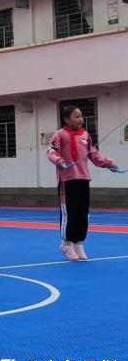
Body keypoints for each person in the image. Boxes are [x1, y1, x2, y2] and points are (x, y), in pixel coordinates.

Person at [47, 104, 119, 261]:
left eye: (81, 116)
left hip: (83, 179)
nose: (81, 119)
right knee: (69, 213)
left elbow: (94, 155)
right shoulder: (60, 135)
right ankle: (67, 244)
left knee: (83, 214)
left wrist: (109, 164)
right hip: (67, 181)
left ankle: (79, 243)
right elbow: (51, 152)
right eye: (77, 117)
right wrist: (59, 161)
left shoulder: (86, 135)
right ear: (66, 119)